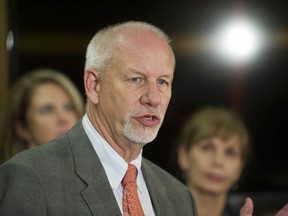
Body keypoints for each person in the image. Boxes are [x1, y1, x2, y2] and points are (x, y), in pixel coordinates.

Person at [0, 21, 286, 216]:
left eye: (163, 82)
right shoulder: (29, 178)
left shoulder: (177, 197)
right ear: (94, 85)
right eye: (136, 79)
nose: (153, 97)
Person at [0, 68, 84, 164]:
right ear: (22, 128)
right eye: (47, 110)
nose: (63, 118)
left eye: (69, 107)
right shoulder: (12, 177)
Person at [177, 107, 250, 216]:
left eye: (229, 153)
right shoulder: (151, 210)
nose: (218, 161)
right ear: (184, 156)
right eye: (207, 148)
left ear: (240, 168)